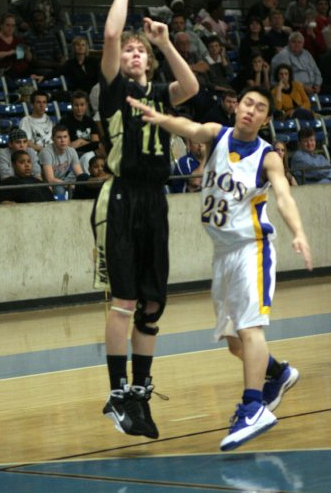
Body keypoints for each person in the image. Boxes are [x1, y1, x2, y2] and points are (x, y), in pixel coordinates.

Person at [127, 85, 313, 451]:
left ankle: (254, 405)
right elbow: (187, 127)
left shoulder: (267, 156)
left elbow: (284, 196)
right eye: (247, 102)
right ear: (237, 106)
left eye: (260, 108)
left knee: (250, 328)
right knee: (233, 342)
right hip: (223, 253)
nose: (251, 110)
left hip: (251, 249)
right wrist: (157, 117)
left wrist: (299, 232)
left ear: (266, 119)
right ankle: (277, 373)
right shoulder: (218, 134)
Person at [92, 0, 199, 440]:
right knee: (125, 300)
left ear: (150, 62)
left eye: (141, 51)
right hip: (121, 198)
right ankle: (117, 394)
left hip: (155, 200)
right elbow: (112, 32)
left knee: (153, 305)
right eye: (131, 50)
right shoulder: (117, 90)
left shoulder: (161, 93)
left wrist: (165, 41)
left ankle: (140, 392)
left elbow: (191, 86)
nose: (134, 53)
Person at [39, 123, 83, 198]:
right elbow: (50, 179)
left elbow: (80, 175)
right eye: (59, 137)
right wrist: (69, 185)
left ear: (69, 138)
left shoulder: (71, 151)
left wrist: (78, 184)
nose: (63, 140)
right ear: (52, 139)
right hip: (46, 184)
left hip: (63, 179)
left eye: (65, 137)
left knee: (83, 182)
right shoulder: (46, 152)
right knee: (59, 188)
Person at [0, 12, 34, 77]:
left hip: (21, 70)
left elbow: (28, 59)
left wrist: (27, 52)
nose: (10, 28)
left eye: (13, 26)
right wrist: (8, 53)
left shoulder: (18, 40)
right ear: (1, 25)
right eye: (7, 25)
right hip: (3, 71)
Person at [270, 31, 322, 96]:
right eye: (294, 42)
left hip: (311, 90)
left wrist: (317, 84)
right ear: (288, 43)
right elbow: (284, 77)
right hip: (290, 91)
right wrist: (303, 87)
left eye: (299, 42)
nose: (297, 44)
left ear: (303, 44)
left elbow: (316, 71)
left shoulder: (307, 54)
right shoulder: (282, 56)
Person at [63, 90, 101, 156]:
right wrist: (87, 143)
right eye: (76, 105)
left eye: (82, 105)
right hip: (73, 154)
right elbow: (66, 146)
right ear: (72, 105)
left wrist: (81, 142)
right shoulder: (65, 122)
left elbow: (95, 142)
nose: (79, 108)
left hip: (91, 152)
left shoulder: (90, 121)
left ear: (86, 105)